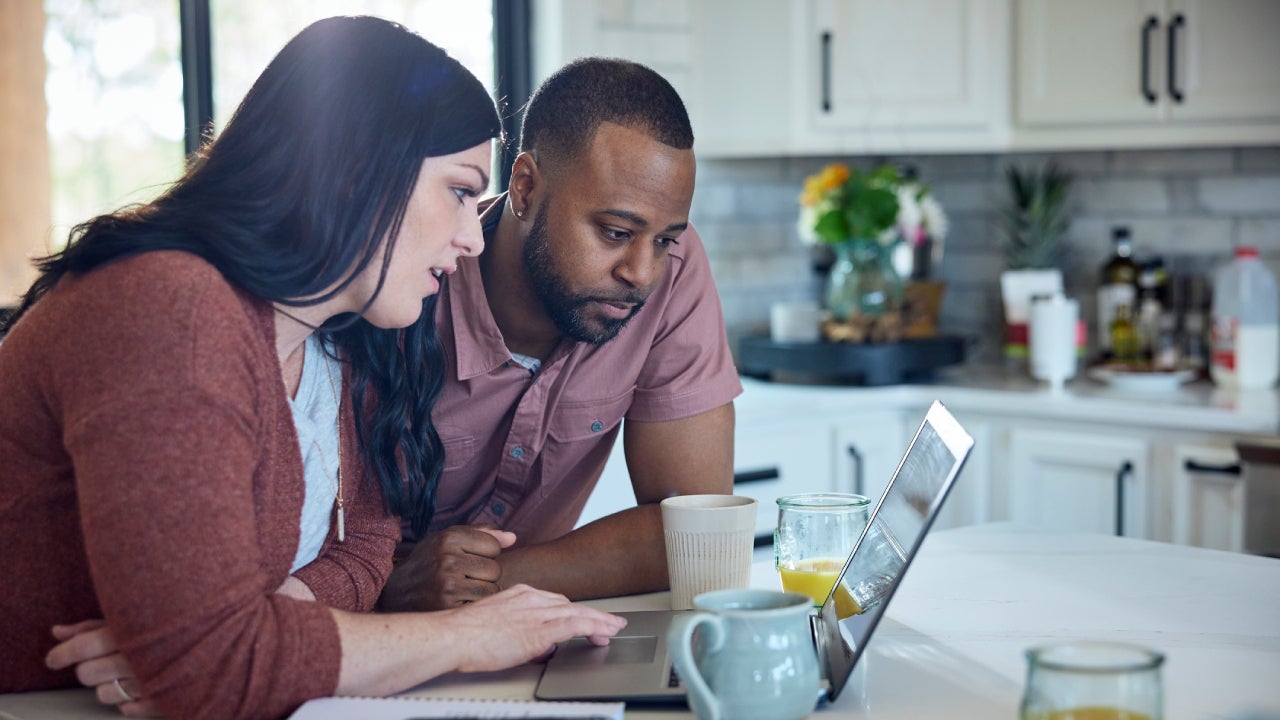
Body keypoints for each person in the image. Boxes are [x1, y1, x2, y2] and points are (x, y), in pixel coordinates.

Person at [0, 16, 623, 720]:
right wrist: (463, 637)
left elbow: (367, 549)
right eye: (457, 190)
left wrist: (254, 630)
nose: (468, 239)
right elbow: (213, 672)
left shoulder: (336, 335)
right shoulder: (170, 309)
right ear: (355, 167)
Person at [377, 57, 743, 612]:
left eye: (665, 239)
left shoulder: (672, 272)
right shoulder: (407, 281)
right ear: (524, 186)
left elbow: (697, 535)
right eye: (615, 232)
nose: (641, 273)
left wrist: (484, 580)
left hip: (523, 631)